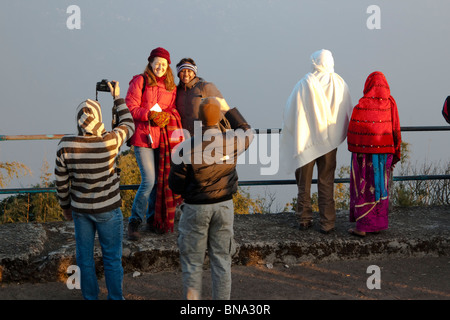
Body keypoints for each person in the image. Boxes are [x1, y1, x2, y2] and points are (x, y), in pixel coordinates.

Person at [55, 81, 135, 300]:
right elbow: (129, 123)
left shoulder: (65, 145)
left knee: (85, 259)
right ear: (98, 118)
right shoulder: (109, 141)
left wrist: (66, 208)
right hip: (108, 209)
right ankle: (115, 298)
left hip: (80, 210)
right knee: (111, 258)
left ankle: (91, 298)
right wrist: (117, 97)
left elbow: (61, 183)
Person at [169, 97, 254, 300]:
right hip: (224, 207)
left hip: (195, 209)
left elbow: (175, 185)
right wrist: (230, 111)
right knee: (222, 262)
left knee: (192, 264)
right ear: (219, 117)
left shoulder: (184, 148)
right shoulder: (233, 141)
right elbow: (248, 131)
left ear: (199, 117)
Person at [279, 49, 353, 234]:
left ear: (315, 62)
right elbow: (347, 112)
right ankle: (327, 222)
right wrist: (333, 133)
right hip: (330, 143)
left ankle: (304, 218)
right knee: (326, 181)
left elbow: (289, 113)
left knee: (303, 182)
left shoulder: (304, 84)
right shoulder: (340, 83)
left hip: (305, 142)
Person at [125, 47, 184, 239]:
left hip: (163, 139)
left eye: (163, 64)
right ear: (150, 63)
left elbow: (173, 108)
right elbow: (130, 107)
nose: (159, 66)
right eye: (156, 62)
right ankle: (134, 221)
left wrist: (167, 116)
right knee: (149, 180)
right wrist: (149, 114)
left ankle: (152, 220)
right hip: (143, 138)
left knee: (161, 181)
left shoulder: (171, 87)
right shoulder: (140, 81)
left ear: (167, 67)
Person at [346, 71, 401, 237]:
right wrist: (396, 150)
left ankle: (362, 227)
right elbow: (395, 129)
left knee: (364, 188)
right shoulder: (390, 103)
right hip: (384, 153)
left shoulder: (362, 104)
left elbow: (354, 129)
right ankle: (377, 225)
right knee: (380, 186)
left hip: (364, 155)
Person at [175, 58, 230, 136]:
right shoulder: (176, 92)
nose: (186, 74)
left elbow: (224, 108)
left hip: (206, 137)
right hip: (186, 139)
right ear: (178, 74)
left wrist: (233, 129)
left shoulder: (205, 87)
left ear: (194, 73)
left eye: (189, 71)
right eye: (183, 71)